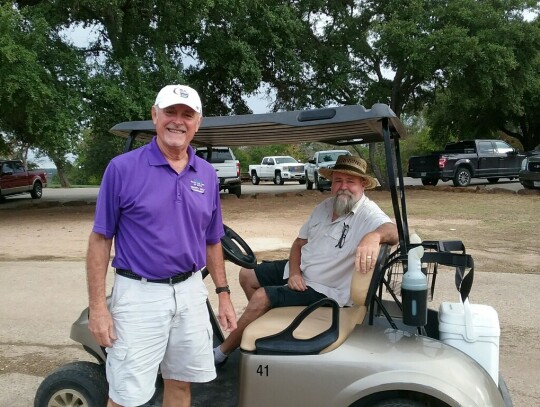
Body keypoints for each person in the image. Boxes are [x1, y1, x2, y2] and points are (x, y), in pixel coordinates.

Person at [86, 84, 237, 407]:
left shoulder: (207, 175)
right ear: (154, 115)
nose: (177, 121)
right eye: (170, 112)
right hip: (139, 294)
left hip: (190, 293)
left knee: (181, 383)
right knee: (126, 394)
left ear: (198, 123)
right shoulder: (123, 169)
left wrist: (223, 294)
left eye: (187, 115)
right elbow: (100, 240)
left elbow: (212, 240)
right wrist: (98, 308)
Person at [213, 155, 398, 365]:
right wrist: (294, 272)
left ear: (363, 184)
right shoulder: (325, 207)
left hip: (325, 288)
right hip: (303, 271)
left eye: (350, 182)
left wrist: (373, 236)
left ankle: (221, 353)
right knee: (247, 274)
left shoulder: (368, 214)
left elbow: (393, 231)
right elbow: (298, 244)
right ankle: (265, 330)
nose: (343, 187)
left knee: (261, 297)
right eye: (338, 181)